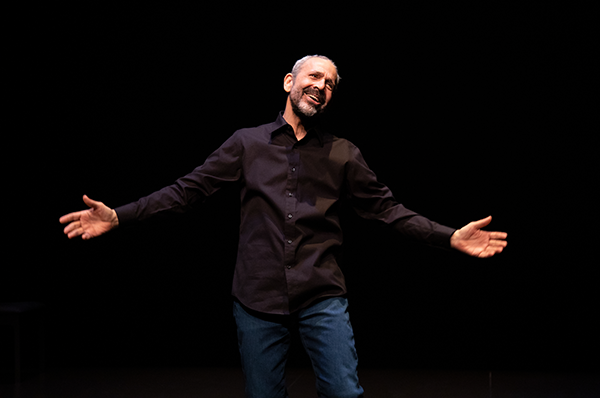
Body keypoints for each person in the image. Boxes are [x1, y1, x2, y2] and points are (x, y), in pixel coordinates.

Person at [60, 55, 507, 398]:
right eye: (314, 77)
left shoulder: (343, 153)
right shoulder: (246, 143)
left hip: (321, 294)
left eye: (330, 83)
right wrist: (120, 215)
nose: (322, 86)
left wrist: (447, 236)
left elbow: (388, 210)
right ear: (289, 83)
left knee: (344, 393)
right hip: (256, 296)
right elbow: (186, 191)